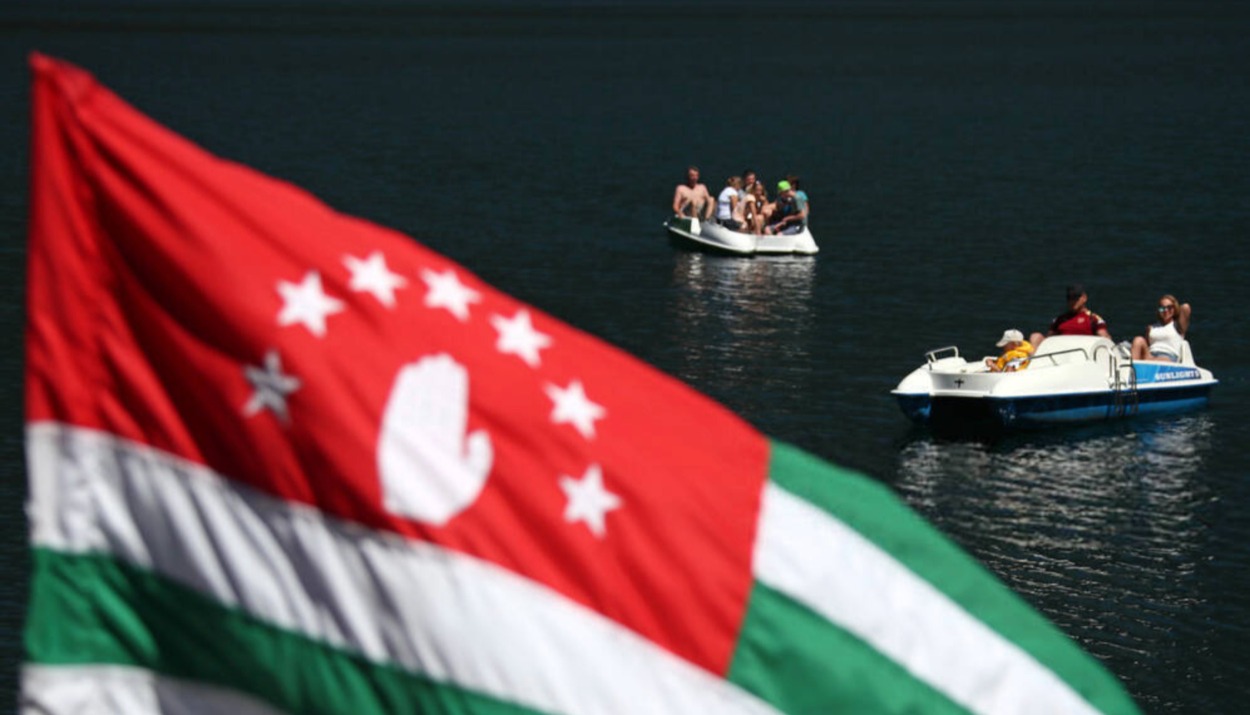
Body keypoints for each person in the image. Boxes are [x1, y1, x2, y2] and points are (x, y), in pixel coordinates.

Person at [1029, 284, 1111, 347]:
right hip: (1060, 352)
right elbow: (1048, 339)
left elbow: (1104, 337)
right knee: (1035, 336)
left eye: (1076, 298)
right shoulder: (1060, 320)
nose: (1072, 301)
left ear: (1084, 298)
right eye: (1070, 298)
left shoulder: (1093, 319)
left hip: (1082, 353)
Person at [1131, 294, 1191, 362]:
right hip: (1151, 355)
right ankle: (1133, 367)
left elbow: (1186, 307)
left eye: (1169, 307)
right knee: (1138, 339)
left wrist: (1175, 309)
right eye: (1162, 308)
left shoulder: (1178, 326)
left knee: (1164, 359)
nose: (1165, 311)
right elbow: (1147, 346)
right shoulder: (1151, 327)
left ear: (1174, 308)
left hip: (1168, 357)